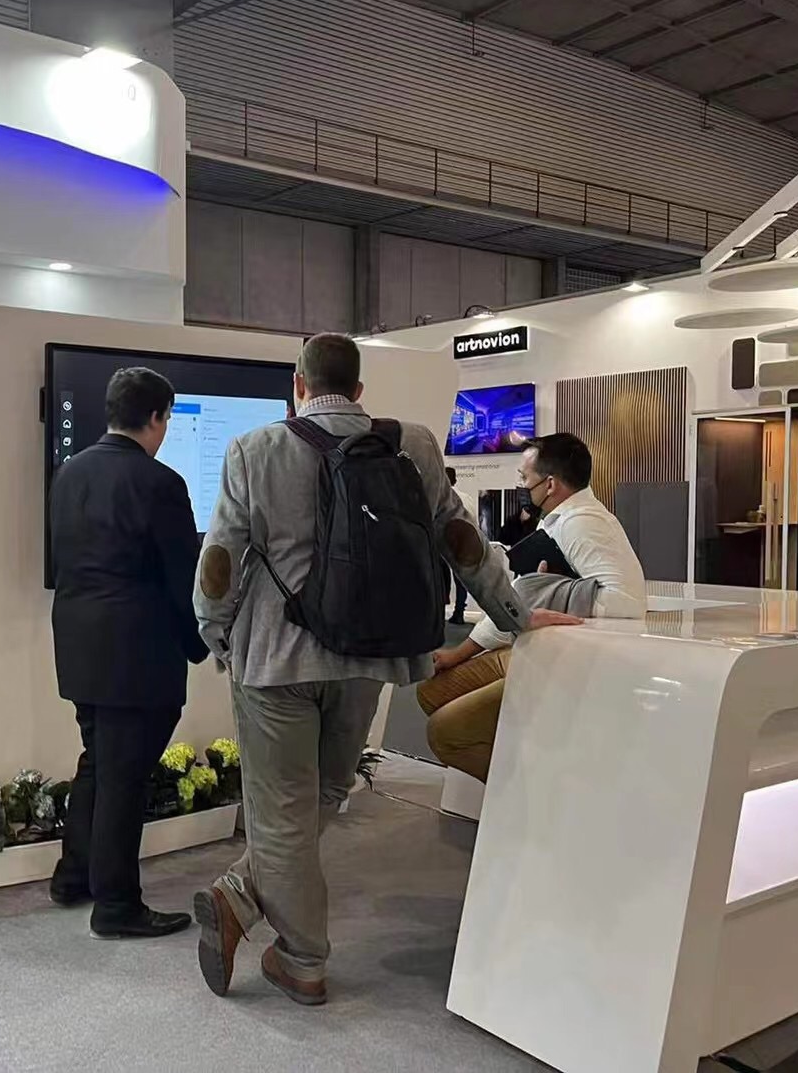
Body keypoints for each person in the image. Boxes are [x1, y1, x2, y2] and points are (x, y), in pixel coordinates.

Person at [190, 333, 580, 1005]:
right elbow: (462, 541)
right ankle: (239, 897)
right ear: (360, 390)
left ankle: (301, 958)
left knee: (282, 813)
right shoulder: (414, 445)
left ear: (298, 386)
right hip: (368, 654)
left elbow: (221, 557)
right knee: (324, 793)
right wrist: (516, 615)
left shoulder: (254, 450)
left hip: (274, 660)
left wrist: (213, 630)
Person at [48, 366, 209, 940]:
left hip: (78, 644)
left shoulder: (69, 472)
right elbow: (182, 578)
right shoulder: (161, 483)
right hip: (137, 653)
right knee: (124, 778)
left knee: (99, 762)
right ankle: (116, 905)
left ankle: (74, 876)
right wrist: (199, 644)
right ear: (158, 417)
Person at [419, 432, 646, 783]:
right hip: (530, 649)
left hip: (564, 662)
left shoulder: (583, 523)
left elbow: (627, 602)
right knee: (432, 692)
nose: (522, 486)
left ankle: (538, 795)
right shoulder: (556, 520)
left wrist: (550, 589)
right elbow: (522, 602)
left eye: (524, 478)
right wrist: (460, 654)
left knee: (446, 732)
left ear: (550, 484)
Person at [445, 467, 477, 625]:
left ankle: (440, 612)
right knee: (461, 581)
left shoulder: (442, 499)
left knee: (441, 578)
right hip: (466, 543)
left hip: (445, 543)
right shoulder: (467, 498)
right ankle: (459, 612)